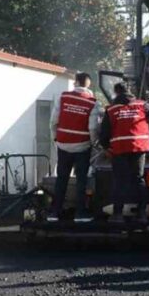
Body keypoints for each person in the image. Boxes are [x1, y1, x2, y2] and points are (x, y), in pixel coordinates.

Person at [100, 83, 149, 225]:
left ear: (116, 93)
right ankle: (142, 214)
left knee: (119, 181)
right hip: (138, 147)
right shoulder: (142, 105)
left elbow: (104, 134)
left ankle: (117, 215)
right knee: (139, 179)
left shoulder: (111, 110)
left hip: (119, 149)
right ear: (129, 91)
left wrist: (106, 148)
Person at [49, 73, 103, 223]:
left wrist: (55, 137)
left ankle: (54, 213)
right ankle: (80, 213)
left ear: (77, 82)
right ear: (88, 84)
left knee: (61, 179)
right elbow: (93, 128)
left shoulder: (63, 97)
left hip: (63, 144)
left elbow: (53, 121)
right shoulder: (93, 103)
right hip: (82, 146)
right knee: (81, 181)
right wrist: (94, 142)